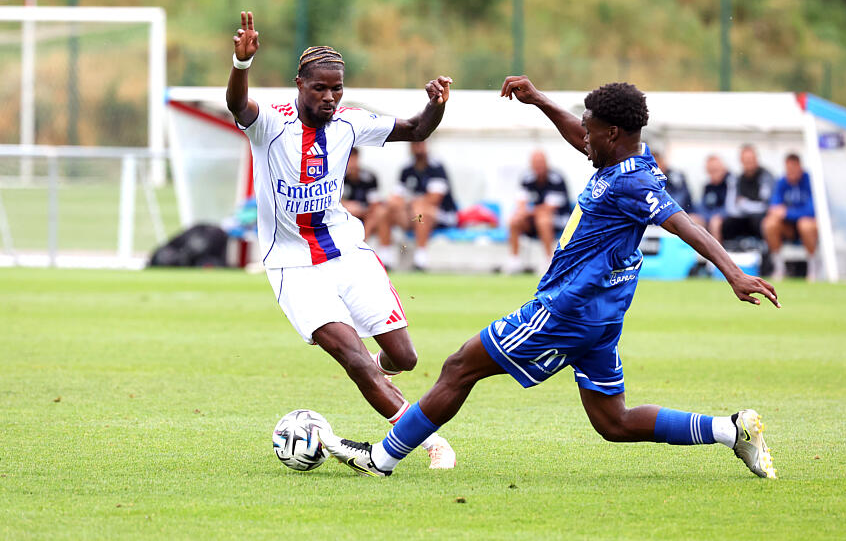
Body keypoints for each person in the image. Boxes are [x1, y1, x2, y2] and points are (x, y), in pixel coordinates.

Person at [321, 77, 779, 480]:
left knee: (460, 366)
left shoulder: (633, 184)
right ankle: (731, 429)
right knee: (612, 422)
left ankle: (381, 458)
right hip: (599, 314)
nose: (583, 135)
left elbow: (684, 224)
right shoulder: (629, 159)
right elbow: (582, 138)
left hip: (567, 309)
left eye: (590, 129)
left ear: (613, 133)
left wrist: (734, 273)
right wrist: (539, 100)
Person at [225, 11, 456, 469]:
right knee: (353, 357)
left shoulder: (349, 122)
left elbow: (415, 129)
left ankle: (373, 373)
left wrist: (436, 105)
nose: (330, 97)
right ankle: (427, 441)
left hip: (347, 254)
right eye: (320, 88)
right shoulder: (271, 124)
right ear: (299, 85)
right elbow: (238, 106)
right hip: (293, 265)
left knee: (403, 358)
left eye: (337, 89)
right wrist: (241, 64)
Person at [386, 141, 459, 271]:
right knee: (385, 210)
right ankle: (385, 257)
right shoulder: (406, 169)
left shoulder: (436, 168)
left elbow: (434, 199)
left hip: (443, 215)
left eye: (420, 144)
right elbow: (395, 198)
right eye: (415, 144)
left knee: (420, 211)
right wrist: (404, 206)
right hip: (412, 213)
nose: (418, 147)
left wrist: (409, 203)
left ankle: (421, 259)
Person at [504, 149, 571, 274]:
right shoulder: (527, 178)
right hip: (534, 219)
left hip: (558, 219)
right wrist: (522, 212)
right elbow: (521, 202)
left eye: (541, 162)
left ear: (546, 163)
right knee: (515, 220)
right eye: (535, 162)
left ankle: (548, 259)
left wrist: (528, 212)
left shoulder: (557, 179)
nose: (538, 165)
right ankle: (514, 260)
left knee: (543, 219)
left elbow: (549, 208)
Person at [761, 153, 818, 281]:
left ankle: (813, 268)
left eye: (793, 169)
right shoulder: (782, 182)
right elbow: (774, 207)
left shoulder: (811, 181)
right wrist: (781, 212)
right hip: (789, 228)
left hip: (808, 227)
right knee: (770, 223)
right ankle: (779, 267)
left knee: (805, 224)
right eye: (788, 169)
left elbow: (812, 210)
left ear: (800, 167)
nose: (790, 172)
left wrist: (787, 213)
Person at [340, 147, 392, 255]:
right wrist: (346, 205)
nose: (351, 162)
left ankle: (366, 247)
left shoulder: (369, 177)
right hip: (345, 215)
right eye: (349, 159)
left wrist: (362, 210)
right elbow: (334, 202)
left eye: (353, 158)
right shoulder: (338, 177)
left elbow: (375, 202)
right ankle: (359, 248)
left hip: (366, 215)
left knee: (380, 213)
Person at [720, 145, 774, 246]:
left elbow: (765, 206)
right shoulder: (738, 179)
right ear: (741, 161)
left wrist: (744, 203)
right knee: (727, 224)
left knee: (760, 222)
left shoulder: (766, 176)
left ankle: (766, 254)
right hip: (744, 216)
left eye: (751, 159)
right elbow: (731, 208)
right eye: (746, 160)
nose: (749, 162)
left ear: (756, 159)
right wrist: (743, 205)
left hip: (760, 218)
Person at [692, 154, 733, 242]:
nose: (713, 173)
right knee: (691, 219)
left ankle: (717, 254)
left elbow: (731, 206)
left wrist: (716, 216)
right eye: (710, 171)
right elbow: (701, 207)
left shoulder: (731, 183)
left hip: (728, 218)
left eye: (715, 170)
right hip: (710, 217)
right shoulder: (708, 186)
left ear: (723, 168)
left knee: (715, 222)